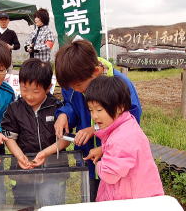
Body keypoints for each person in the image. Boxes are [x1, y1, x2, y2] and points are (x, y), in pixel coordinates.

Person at [54, 40, 142, 202]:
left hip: (115, 158)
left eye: (79, 86)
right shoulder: (75, 82)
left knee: (115, 195)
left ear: (96, 71)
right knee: (91, 193)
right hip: (88, 154)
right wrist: (64, 114)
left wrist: (99, 139)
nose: (75, 90)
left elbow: (131, 122)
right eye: (70, 88)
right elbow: (71, 105)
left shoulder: (120, 85)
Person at [1, 58, 70, 208]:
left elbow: (65, 139)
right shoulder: (14, 109)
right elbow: (9, 137)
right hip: (23, 172)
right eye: (24, 89)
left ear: (48, 87)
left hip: (54, 171)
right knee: (24, 206)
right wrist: (20, 157)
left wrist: (45, 153)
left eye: (36, 91)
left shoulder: (58, 108)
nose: (29, 96)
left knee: (51, 205)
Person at [84, 75, 164, 201]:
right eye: (91, 110)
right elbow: (121, 150)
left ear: (120, 107)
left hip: (132, 200)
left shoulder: (123, 137)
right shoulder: (125, 125)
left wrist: (99, 165)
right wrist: (104, 148)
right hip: (136, 193)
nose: (94, 116)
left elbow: (110, 174)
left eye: (99, 110)